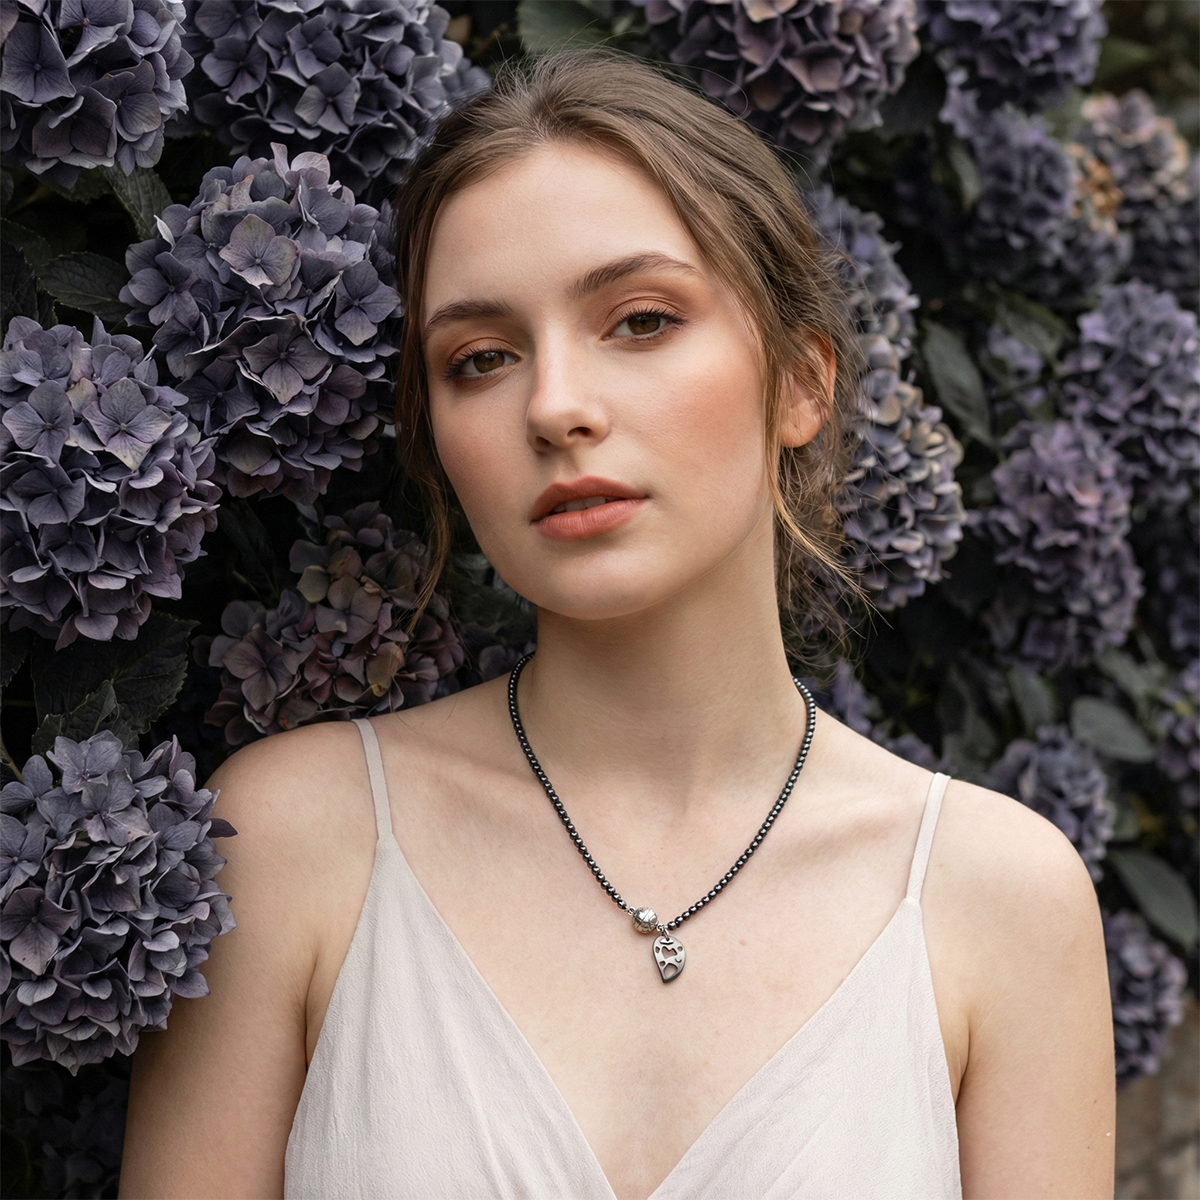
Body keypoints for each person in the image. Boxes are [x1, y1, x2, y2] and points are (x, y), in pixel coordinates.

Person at [118, 50, 1116, 1200]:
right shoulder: (294, 844)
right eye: (481, 359)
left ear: (801, 383)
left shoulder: (998, 901)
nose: (554, 407)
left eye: (640, 321)